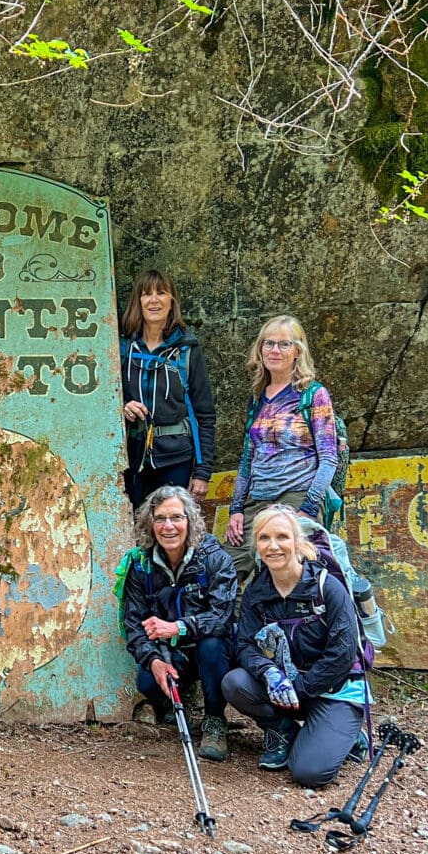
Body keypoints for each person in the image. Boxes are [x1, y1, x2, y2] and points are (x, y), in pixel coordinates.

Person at [222, 504, 370, 787]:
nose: (273, 546)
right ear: (256, 545)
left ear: (297, 542)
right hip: (286, 687)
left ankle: (345, 732)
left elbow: (343, 654)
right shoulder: (257, 591)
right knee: (234, 683)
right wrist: (269, 672)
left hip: (333, 689)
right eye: (264, 538)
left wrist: (300, 690)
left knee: (309, 773)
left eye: (282, 537)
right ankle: (283, 731)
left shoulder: (327, 588)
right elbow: (244, 645)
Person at [120, 485, 240, 762]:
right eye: (160, 518)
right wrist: (154, 661)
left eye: (176, 517)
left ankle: (214, 719)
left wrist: (178, 627)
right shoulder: (140, 566)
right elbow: (134, 626)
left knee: (212, 646)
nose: (168, 526)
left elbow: (222, 617)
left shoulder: (214, 559)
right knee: (147, 681)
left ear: (190, 520)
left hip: (211, 652)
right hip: (170, 653)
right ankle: (180, 693)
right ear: (150, 524)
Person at [223, 315, 340, 581]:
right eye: (269, 343)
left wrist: (308, 509)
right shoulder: (258, 396)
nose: (274, 351)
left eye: (284, 345)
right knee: (226, 568)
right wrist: (237, 509)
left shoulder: (313, 395)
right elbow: (247, 458)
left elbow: (329, 458)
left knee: (283, 569)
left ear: (298, 351)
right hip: (259, 498)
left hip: (297, 494)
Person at [119, 269, 217, 510]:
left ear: (171, 301)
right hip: (132, 458)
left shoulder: (187, 349)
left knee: (170, 526)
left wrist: (202, 472)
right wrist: (122, 408)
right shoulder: (122, 348)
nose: (154, 300)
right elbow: (100, 402)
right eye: (146, 294)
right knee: (136, 533)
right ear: (137, 302)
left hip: (176, 457)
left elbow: (204, 414)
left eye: (161, 293)